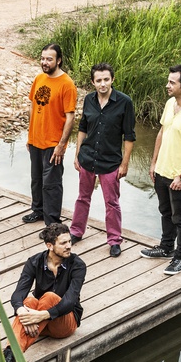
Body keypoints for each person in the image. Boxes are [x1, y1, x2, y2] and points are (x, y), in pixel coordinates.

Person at [0, 223, 85, 362]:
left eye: (69, 241)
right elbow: (18, 294)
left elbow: (70, 301)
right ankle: (10, 355)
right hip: (38, 325)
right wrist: (21, 310)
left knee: (50, 297)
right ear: (49, 246)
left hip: (63, 323)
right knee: (28, 301)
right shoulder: (34, 262)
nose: (69, 246)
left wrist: (42, 315)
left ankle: (10, 354)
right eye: (63, 243)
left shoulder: (78, 265)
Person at [141, 64, 181, 275]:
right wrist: (154, 163)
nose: (167, 85)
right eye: (168, 81)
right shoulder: (170, 103)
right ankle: (166, 247)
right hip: (162, 171)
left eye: (172, 82)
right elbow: (162, 133)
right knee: (165, 212)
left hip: (179, 177)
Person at [70, 63, 135, 258]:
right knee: (83, 197)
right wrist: (77, 154)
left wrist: (124, 164)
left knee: (112, 202)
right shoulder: (89, 100)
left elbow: (129, 136)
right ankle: (76, 232)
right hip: (88, 157)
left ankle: (114, 240)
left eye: (106, 79)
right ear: (93, 82)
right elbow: (83, 127)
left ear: (112, 79)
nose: (103, 84)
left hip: (110, 162)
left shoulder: (124, 102)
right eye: (98, 80)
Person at [23, 43, 77, 226]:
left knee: (51, 184)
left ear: (59, 60)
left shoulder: (67, 84)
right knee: (36, 180)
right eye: (42, 58)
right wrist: (30, 135)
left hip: (53, 144)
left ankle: (52, 223)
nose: (44, 62)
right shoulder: (39, 78)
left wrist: (61, 145)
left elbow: (70, 117)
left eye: (49, 59)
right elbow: (33, 105)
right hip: (36, 140)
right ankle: (38, 211)